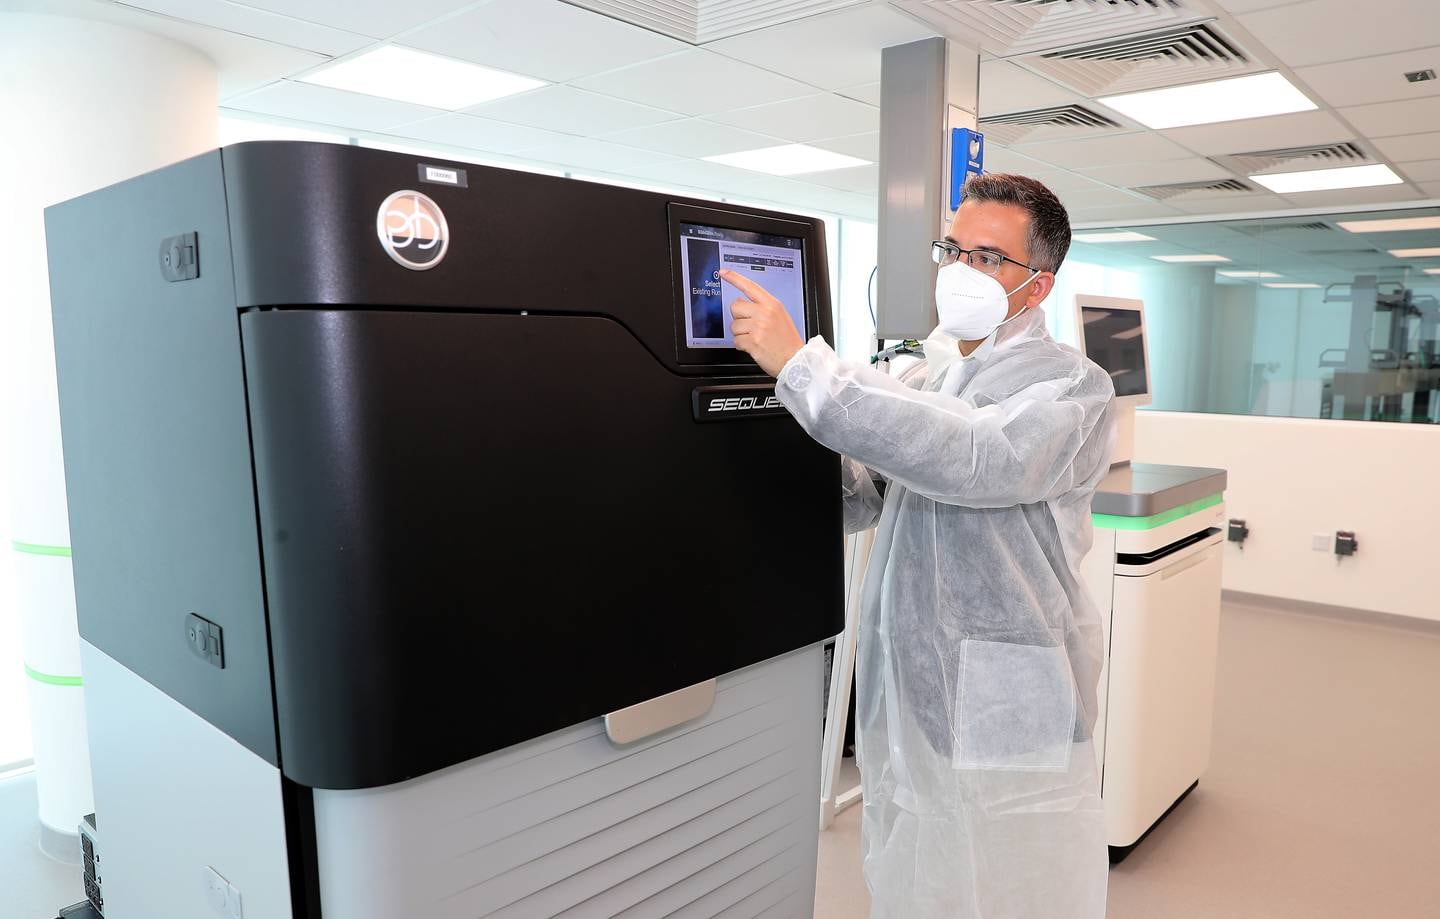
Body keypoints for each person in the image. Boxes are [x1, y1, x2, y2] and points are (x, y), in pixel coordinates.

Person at [720, 172, 1116, 919]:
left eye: (989, 257)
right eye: (954, 249)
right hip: (915, 680)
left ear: (1038, 285)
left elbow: (973, 458)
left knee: (1014, 874)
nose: (962, 272)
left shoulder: (1075, 388)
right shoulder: (930, 369)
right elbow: (866, 491)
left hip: (1009, 684)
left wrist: (809, 369)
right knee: (920, 864)